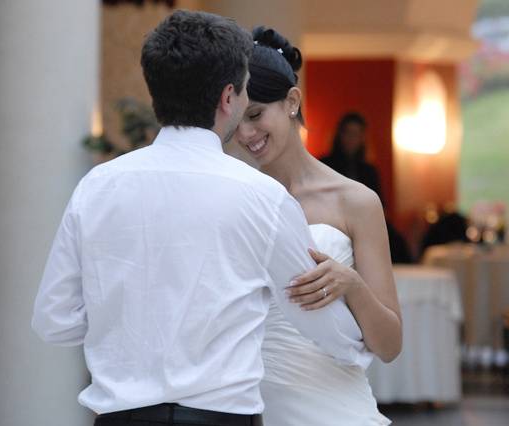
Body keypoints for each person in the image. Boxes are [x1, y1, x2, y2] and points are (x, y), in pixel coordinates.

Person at [31, 11, 372, 426]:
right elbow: (317, 319)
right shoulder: (263, 197)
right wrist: (360, 343)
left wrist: (127, 320)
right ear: (229, 97)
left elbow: (53, 320)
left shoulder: (97, 186)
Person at [235, 27, 402, 426]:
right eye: (236, 121)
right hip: (248, 407)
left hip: (333, 407)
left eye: (256, 115)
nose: (245, 134)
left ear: (292, 102)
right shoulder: (236, 201)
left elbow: (390, 345)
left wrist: (351, 284)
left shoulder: (356, 201)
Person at [321, 112, 382, 198]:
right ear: (340, 135)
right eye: (348, 133)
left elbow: (379, 204)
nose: (351, 138)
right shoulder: (324, 166)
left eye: (356, 134)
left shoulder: (369, 171)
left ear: (362, 138)